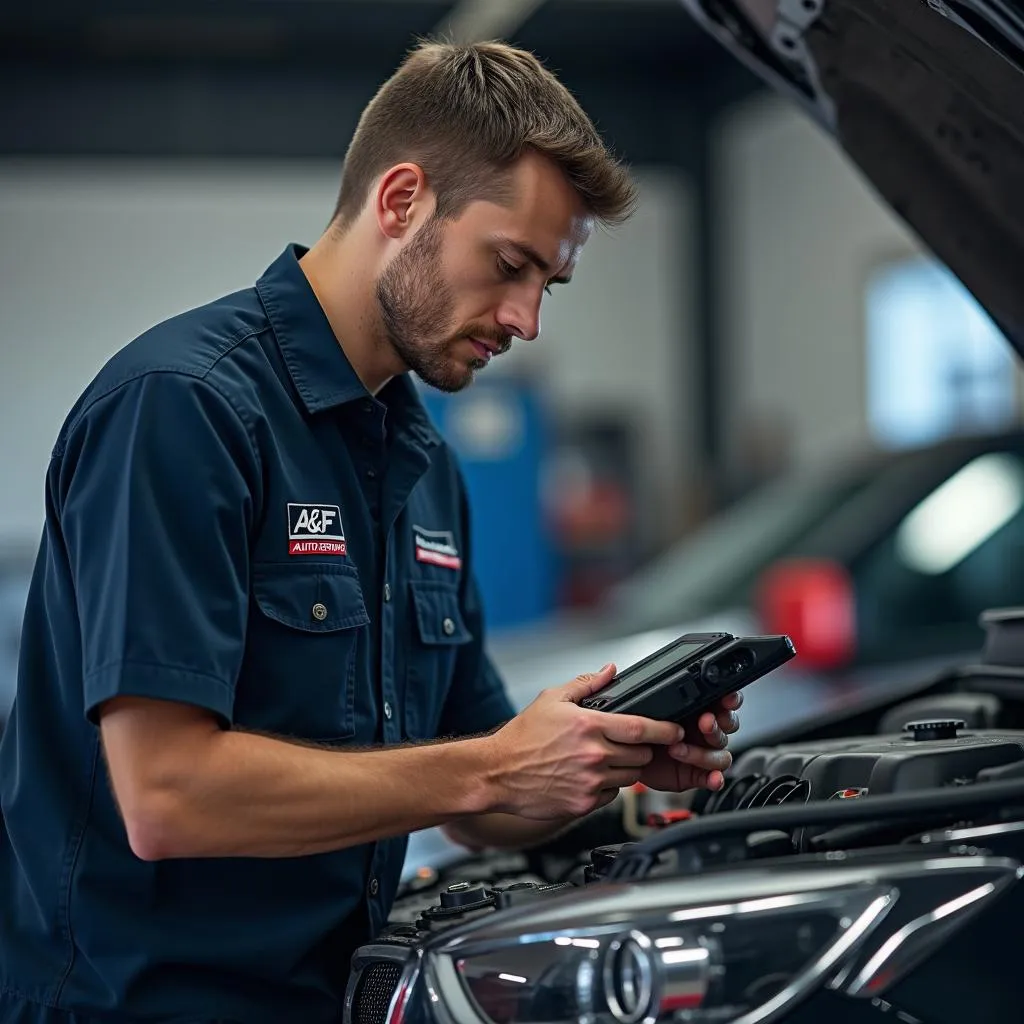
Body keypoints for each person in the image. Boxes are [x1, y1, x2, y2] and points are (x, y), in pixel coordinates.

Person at [0, 39, 741, 1024]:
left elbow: (480, 795)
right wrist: (496, 763)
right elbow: (167, 796)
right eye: (509, 265)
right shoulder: (185, 408)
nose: (524, 319)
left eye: (547, 286)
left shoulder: (422, 463)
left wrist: (601, 762)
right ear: (401, 201)